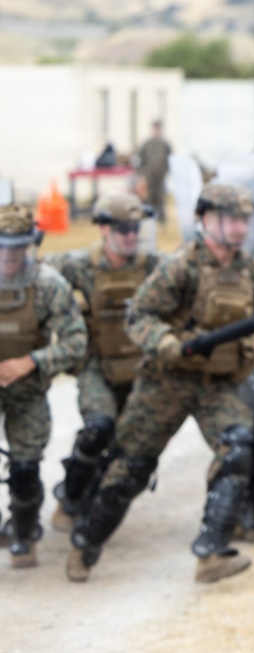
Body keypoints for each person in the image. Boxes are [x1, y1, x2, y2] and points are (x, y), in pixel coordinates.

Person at [66, 183, 254, 584]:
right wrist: (166, 344)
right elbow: (140, 315)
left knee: (236, 446)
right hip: (166, 381)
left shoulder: (253, 271)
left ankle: (211, 551)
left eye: (244, 219)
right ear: (205, 220)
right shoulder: (180, 267)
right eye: (230, 218)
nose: (238, 228)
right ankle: (85, 542)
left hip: (216, 384)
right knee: (130, 468)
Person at [46, 193, 162, 531]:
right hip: (97, 364)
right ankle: (70, 497)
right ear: (104, 229)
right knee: (98, 428)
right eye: (123, 228)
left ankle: (100, 504)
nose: (130, 235)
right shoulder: (78, 264)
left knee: (131, 444)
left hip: (141, 368)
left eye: (135, 228)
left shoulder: (154, 265)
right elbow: (32, 274)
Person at [0, 204, 87, 567]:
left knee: (25, 468)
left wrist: (31, 361)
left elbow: (76, 341)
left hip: (27, 390)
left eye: (17, 248)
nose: (9, 256)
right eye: (3, 247)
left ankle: (24, 534)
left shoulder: (48, 284)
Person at [136, 120, 172, 224]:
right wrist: (142, 174)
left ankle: (161, 219)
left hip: (161, 175)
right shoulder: (146, 144)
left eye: (158, 128)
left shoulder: (165, 144)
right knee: (149, 197)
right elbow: (140, 160)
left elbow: (170, 159)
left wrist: (166, 171)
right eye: (155, 128)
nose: (156, 131)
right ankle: (149, 219)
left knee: (160, 197)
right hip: (149, 175)